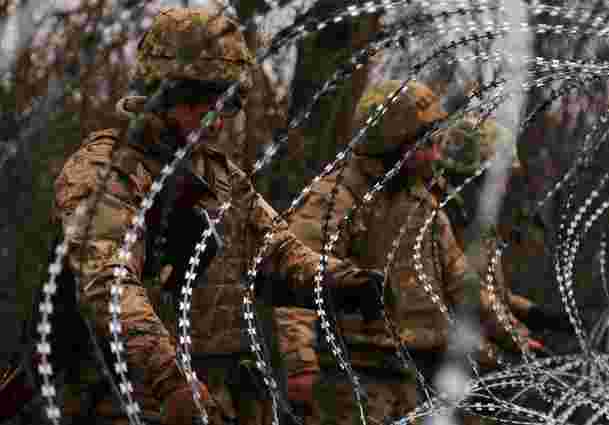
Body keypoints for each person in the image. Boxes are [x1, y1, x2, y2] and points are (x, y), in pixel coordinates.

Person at [49, 6, 384, 425]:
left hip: (218, 396)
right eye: (203, 102)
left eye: (227, 104)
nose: (217, 121)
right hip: (130, 402)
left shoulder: (220, 176)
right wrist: (171, 380)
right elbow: (108, 283)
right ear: (165, 92)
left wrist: (344, 282)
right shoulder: (106, 171)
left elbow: (276, 254)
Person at [275, 80, 496, 425]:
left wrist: (512, 335)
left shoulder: (421, 201)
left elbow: (461, 280)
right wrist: (300, 363)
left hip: (414, 373)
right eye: (426, 145)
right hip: (354, 378)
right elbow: (298, 277)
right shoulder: (336, 198)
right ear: (393, 143)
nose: (435, 156)